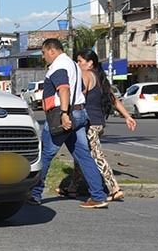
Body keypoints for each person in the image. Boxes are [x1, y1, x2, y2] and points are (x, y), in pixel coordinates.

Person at [29, 38, 109, 209]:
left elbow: (64, 89)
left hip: (63, 115)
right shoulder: (73, 65)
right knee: (84, 155)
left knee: (45, 154)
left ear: (52, 50)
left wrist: (64, 114)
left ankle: (34, 194)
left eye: (44, 53)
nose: (44, 57)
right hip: (80, 114)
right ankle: (98, 195)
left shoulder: (58, 66)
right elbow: (79, 89)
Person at [58, 50, 137, 202]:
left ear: (90, 63)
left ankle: (114, 188)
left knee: (96, 155)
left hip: (90, 123)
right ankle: (73, 188)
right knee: (81, 154)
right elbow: (114, 100)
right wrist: (127, 116)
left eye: (80, 61)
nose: (78, 64)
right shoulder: (101, 79)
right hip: (99, 123)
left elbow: (79, 97)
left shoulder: (86, 76)